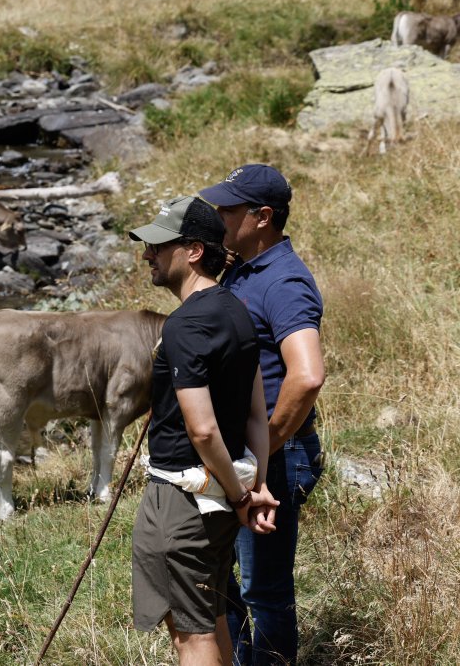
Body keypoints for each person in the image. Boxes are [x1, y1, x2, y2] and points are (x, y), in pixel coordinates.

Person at [129, 195, 279, 665]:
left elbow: (203, 431)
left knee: (190, 637)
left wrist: (240, 496)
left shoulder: (184, 326)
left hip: (182, 502)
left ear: (193, 251)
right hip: (219, 497)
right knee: (212, 619)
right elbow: (257, 415)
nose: (147, 254)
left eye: (158, 245)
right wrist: (255, 485)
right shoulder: (237, 311)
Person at [199, 165, 326, 666]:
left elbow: (307, 374)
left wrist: (265, 447)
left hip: (275, 451)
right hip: (239, 453)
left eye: (230, 210)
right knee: (221, 581)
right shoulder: (243, 265)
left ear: (263, 217)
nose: (220, 217)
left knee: (262, 592)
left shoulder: (285, 281)